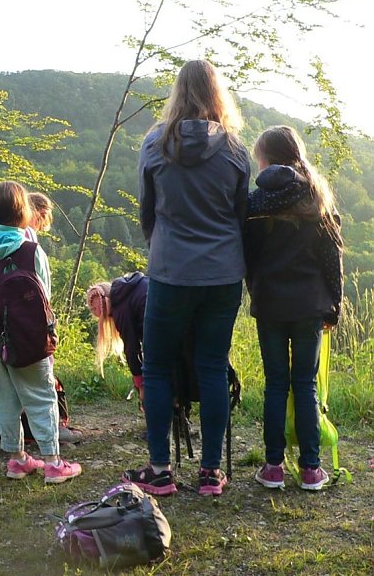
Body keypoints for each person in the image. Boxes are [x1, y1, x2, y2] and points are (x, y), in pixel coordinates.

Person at [124, 59, 250, 497]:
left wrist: (161, 247)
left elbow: (147, 210)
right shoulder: (235, 150)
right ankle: (211, 473)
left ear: (177, 92)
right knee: (212, 365)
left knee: (158, 367)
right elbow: (241, 216)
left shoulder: (155, 144)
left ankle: (160, 469)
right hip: (222, 275)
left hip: (170, 271)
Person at [245, 125, 343, 491]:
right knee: (305, 384)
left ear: (265, 160)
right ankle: (311, 469)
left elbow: (248, 258)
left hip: (270, 304)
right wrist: (334, 305)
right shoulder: (316, 197)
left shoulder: (255, 202)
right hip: (309, 306)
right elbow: (332, 259)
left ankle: (273, 467)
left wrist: (255, 289)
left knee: (275, 384)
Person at [0, 181, 81, 483]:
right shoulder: (31, 249)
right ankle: (53, 462)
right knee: (41, 397)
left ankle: (17, 459)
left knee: (4, 399)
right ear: (22, 211)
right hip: (28, 335)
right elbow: (44, 295)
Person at [25, 192, 83, 444]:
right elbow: (43, 290)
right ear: (39, 214)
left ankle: (25, 433)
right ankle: (53, 431)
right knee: (45, 377)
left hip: (3, 324)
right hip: (34, 321)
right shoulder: (30, 244)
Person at [86, 272, 149, 402]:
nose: (95, 311)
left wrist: (140, 383)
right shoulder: (128, 292)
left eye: (95, 308)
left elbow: (131, 348)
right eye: (92, 309)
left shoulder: (121, 307)